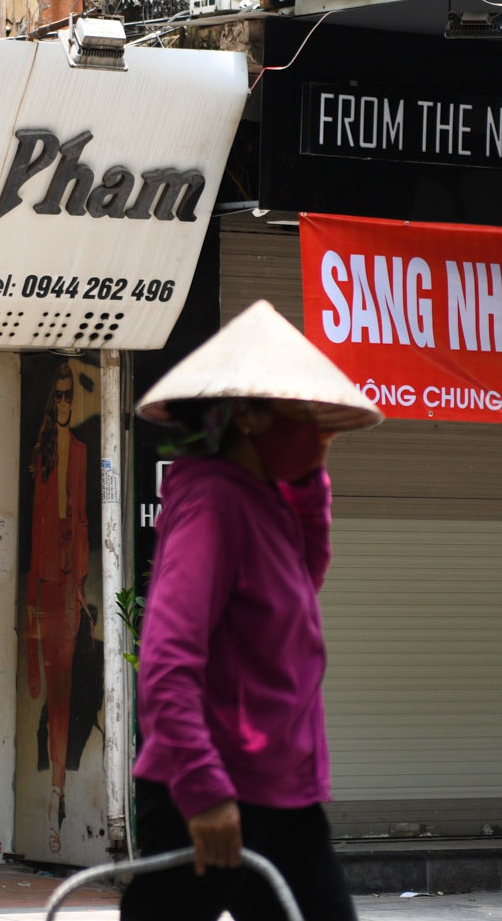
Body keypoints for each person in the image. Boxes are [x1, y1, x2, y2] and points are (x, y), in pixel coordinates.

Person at [123, 300, 384, 921]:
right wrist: (203, 789)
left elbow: (304, 579)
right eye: (300, 414)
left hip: (283, 793)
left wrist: (310, 479)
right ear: (246, 416)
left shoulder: (262, 500)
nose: (315, 429)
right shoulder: (212, 506)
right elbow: (165, 662)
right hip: (212, 790)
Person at [25, 361, 90, 851]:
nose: (65, 403)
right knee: (50, 690)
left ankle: (56, 793)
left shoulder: (83, 455)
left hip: (69, 589)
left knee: (65, 694)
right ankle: (51, 789)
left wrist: (81, 587)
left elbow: (83, 520)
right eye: (60, 395)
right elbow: (35, 533)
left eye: (71, 395)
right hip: (45, 585)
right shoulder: (43, 457)